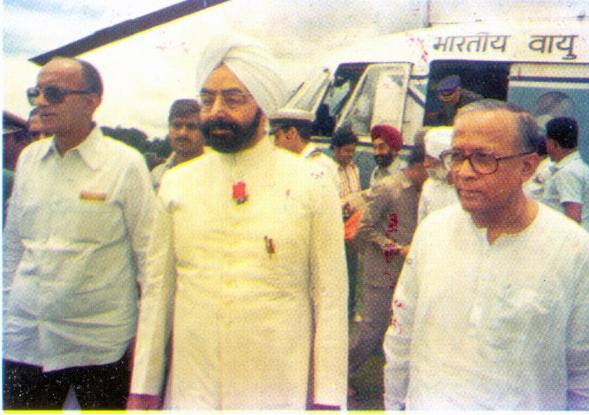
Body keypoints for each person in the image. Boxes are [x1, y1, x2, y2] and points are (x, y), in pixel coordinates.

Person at [128, 35, 348, 410]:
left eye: (233, 100)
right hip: (192, 389)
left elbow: (330, 299)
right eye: (207, 99)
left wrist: (328, 399)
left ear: (262, 106)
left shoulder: (312, 182)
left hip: (275, 389)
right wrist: (144, 387)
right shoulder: (176, 182)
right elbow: (158, 293)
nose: (216, 111)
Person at [384, 99, 589, 410]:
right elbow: (401, 341)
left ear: (526, 167)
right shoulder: (432, 234)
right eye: (457, 156)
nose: (464, 172)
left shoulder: (573, 251)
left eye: (483, 158)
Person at [3, 57, 156, 410]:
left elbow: (149, 261)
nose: (41, 102)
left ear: (92, 100)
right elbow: (12, 248)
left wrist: (145, 346)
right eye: (36, 92)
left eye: (53, 93)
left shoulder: (125, 164)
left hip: (100, 348)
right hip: (27, 342)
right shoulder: (28, 160)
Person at [349, 144, 427, 397]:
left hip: (407, 272)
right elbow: (365, 228)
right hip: (382, 271)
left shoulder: (423, 192)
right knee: (372, 327)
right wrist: (394, 248)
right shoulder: (390, 188)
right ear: (420, 164)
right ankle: (339, 374)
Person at [542, 116, 589, 234]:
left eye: (546, 139)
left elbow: (573, 218)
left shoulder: (567, 172)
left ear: (554, 144)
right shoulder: (576, 167)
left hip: (568, 244)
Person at [330, 126, 362, 320]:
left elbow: (357, 192)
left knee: (352, 269)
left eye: (352, 151)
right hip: (335, 224)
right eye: (346, 151)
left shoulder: (354, 168)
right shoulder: (328, 169)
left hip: (353, 225)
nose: (350, 155)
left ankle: (350, 309)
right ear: (335, 149)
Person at [270, 107, 340, 189]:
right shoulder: (288, 163)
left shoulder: (322, 166)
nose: (275, 143)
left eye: (277, 137)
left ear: (291, 133)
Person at [151, 99, 206, 191]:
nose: (183, 133)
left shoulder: (217, 172)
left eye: (191, 127)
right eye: (177, 125)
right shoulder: (156, 175)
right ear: (169, 128)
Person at [416, 126, 458, 223]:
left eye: (430, 158)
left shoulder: (470, 189)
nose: (425, 164)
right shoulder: (429, 187)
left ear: (447, 160)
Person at [369, 123, 405, 188]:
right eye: (374, 148)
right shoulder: (376, 172)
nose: (377, 152)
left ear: (394, 150)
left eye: (381, 148)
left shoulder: (404, 173)